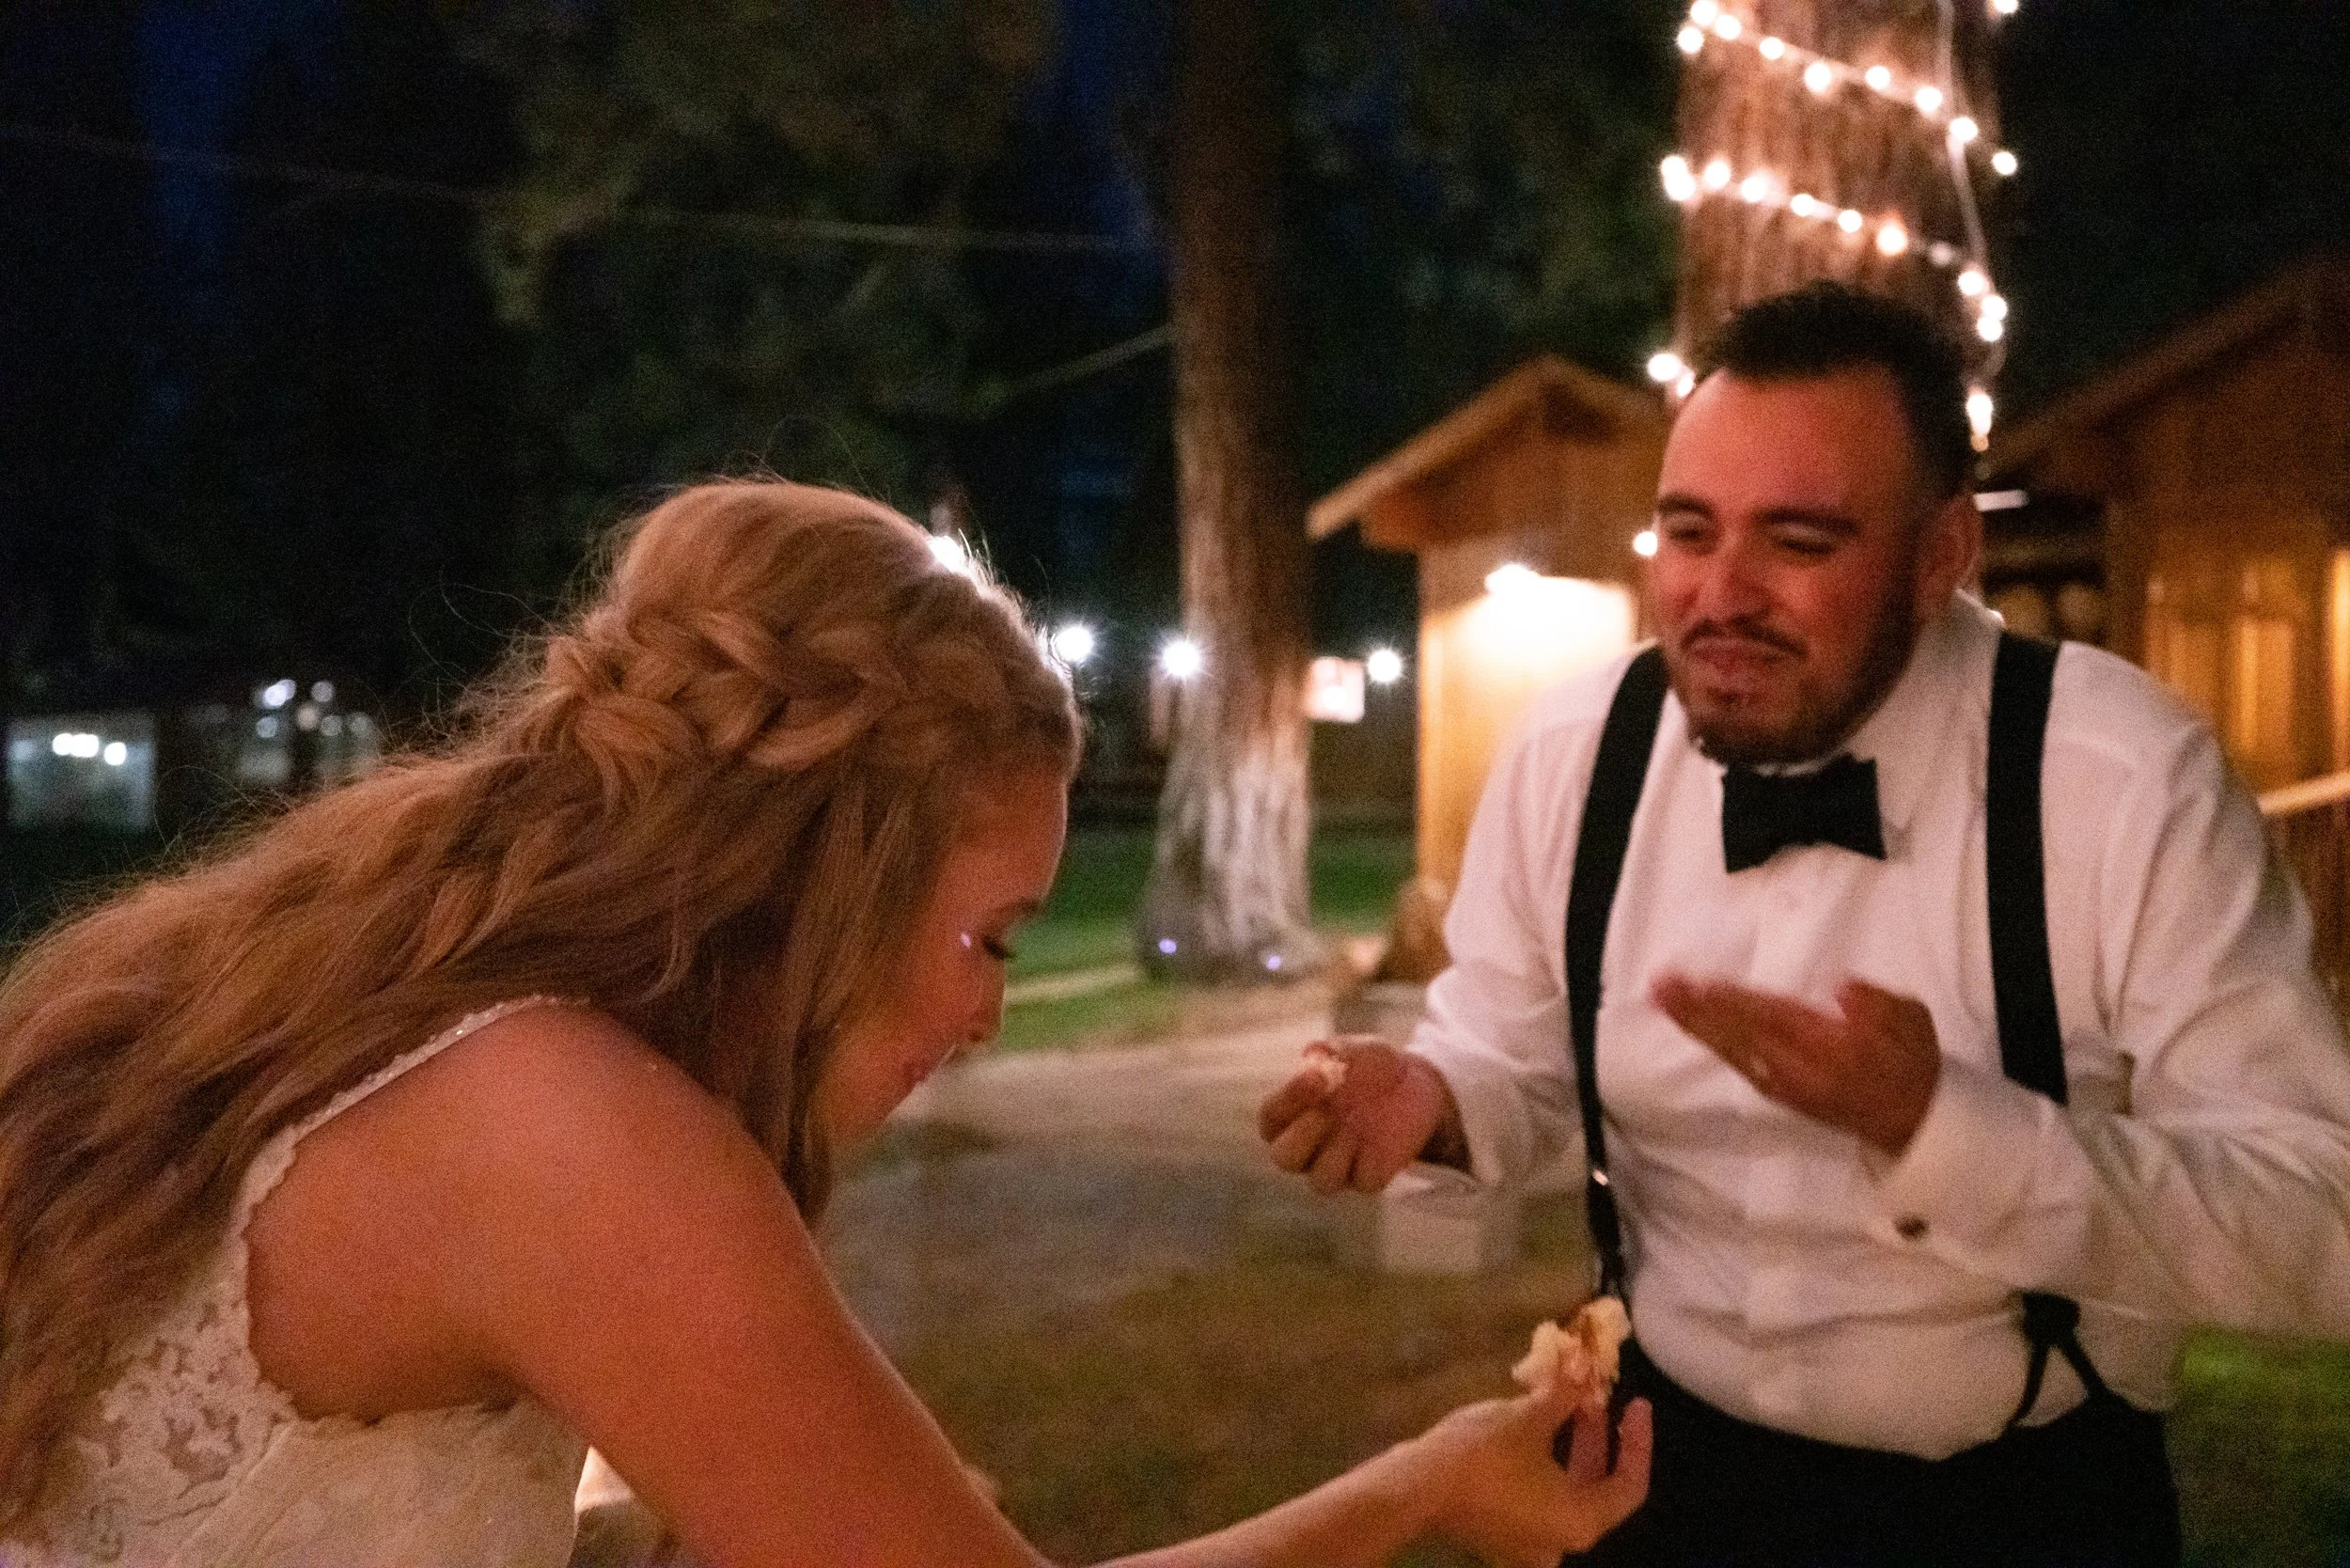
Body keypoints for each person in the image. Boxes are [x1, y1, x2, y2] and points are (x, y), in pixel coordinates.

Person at [0, 480, 1653, 1568]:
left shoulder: (360, 997)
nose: (991, 1013)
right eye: (990, 936)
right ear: (829, 875)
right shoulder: (568, 1133)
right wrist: (1423, 1481)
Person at [1260, 283, 2350, 1566]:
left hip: (2025, 1506)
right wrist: (1436, 1099)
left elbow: (2320, 1222)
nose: (1722, 594)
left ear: (1940, 557)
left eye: (1800, 541)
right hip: (1659, 1482)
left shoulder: (2123, 782)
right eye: (1688, 531)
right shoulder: (1573, 753)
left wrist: (1948, 1129)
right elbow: (1510, 1053)